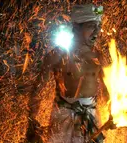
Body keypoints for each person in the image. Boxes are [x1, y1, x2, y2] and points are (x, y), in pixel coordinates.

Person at [27, 4, 104, 143]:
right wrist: (31, 121)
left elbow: (108, 89)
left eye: (99, 26)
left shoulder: (99, 56)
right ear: (76, 27)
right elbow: (38, 88)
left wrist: (116, 111)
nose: (97, 31)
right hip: (62, 113)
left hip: (90, 115)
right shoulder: (58, 54)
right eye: (91, 26)